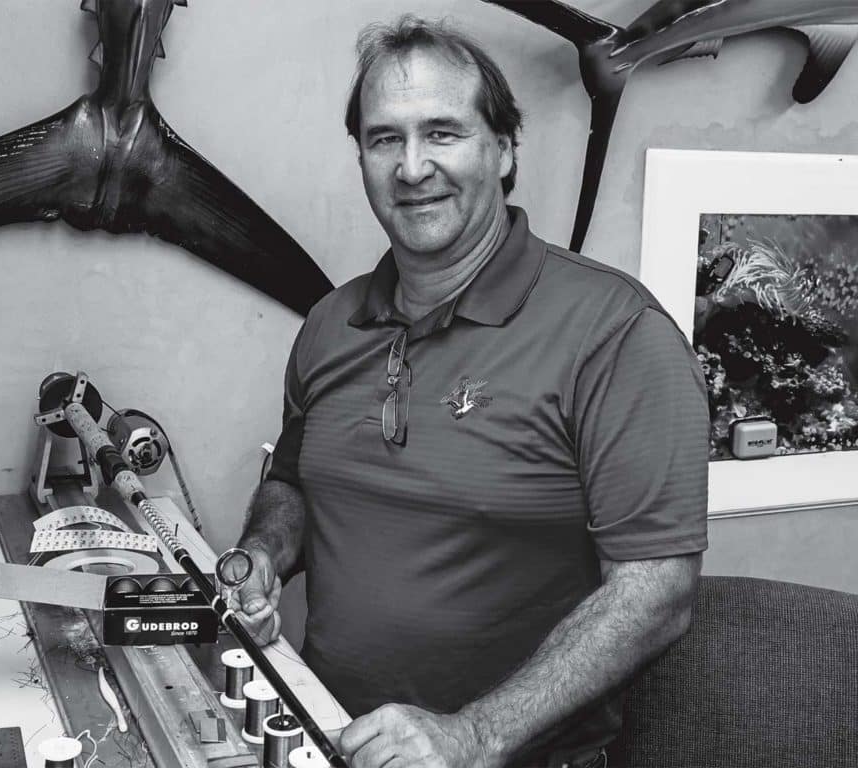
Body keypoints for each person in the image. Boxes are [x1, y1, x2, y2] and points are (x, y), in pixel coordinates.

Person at [231, 15, 709, 768]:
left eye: (443, 134)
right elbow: (294, 479)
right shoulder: (329, 322)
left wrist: (473, 734)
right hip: (324, 738)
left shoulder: (616, 333)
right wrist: (261, 552)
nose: (412, 168)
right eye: (385, 139)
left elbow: (657, 593)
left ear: (505, 148)